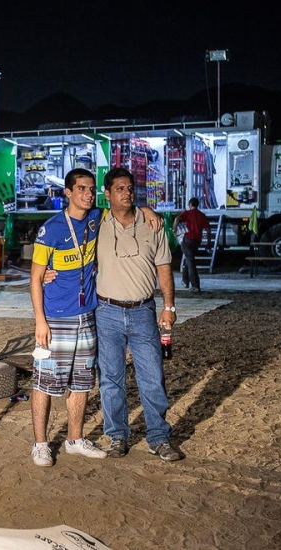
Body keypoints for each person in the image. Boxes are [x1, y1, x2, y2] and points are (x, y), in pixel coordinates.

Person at [95, 167, 182, 461]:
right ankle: (117, 436)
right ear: (107, 194)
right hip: (106, 312)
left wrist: (169, 307)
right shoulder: (97, 223)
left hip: (143, 311)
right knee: (111, 379)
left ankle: (159, 438)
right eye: (119, 188)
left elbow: (164, 267)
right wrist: (47, 272)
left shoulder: (151, 224)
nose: (127, 193)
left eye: (130, 188)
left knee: (153, 377)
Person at [29, 167, 108, 467]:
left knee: (82, 382)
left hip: (86, 316)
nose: (88, 194)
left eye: (91, 189)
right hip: (56, 318)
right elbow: (35, 278)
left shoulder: (96, 217)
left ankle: (75, 439)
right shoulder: (51, 229)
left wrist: (148, 212)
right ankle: (40, 444)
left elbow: (122, 209)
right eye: (82, 189)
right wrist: (40, 321)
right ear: (68, 192)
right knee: (45, 382)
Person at [172, 197, 212, 293]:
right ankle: (185, 280)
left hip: (187, 240)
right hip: (197, 241)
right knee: (189, 259)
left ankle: (195, 285)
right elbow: (208, 230)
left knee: (190, 261)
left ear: (190, 204)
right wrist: (208, 243)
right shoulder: (202, 215)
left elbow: (177, 219)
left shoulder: (187, 213)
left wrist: (174, 230)